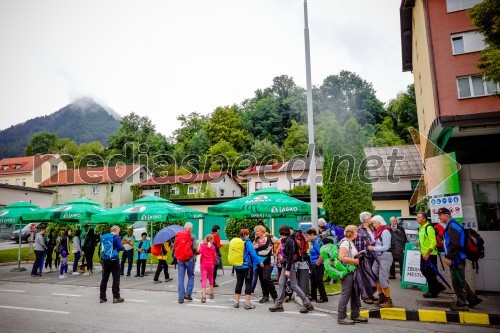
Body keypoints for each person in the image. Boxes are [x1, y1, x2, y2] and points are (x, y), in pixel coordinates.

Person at [439, 207, 482, 311]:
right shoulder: (451, 224)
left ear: (447, 215)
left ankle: (461, 304)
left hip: (456, 258)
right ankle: (473, 299)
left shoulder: (452, 226)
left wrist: (449, 257)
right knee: (460, 279)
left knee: (457, 281)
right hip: (457, 258)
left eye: (440, 215)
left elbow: (454, 244)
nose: (439, 217)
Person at [269, 226, 315, 314]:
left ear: (281, 232)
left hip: (290, 265)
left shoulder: (289, 241)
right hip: (286, 265)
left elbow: (290, 256)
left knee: (293, 285)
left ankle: (307, 304)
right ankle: (279, 304)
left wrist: (288, 269)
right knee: (281, 283)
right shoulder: (284, 240)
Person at [337, 225, 368, 325]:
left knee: (355, 293)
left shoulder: (350, 242)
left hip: (353, 271)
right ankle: (341, 317)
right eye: (356, 232)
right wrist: (354, 261)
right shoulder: (345, 242)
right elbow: (341, 257)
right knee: (346, 293)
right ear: (351, 232)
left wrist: (358, 254)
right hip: (347, 272)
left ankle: (355, 314)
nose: (357, 233)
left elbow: (349, 254)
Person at [416, 212, 446, 298]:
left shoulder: (429, 228)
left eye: (418, 217)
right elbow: (424, 238)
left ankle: (433, 291)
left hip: (430, 254)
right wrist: (419, 242)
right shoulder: (420, 227)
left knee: (430, 273)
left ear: (424, 219)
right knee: (424, 270)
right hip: (423, 253)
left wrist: (428, 254)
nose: (416, 218)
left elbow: (433, 242)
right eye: (417, 217)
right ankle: (437, 287)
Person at [368, 215, 394, 308]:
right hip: (379, 256)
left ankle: (388, 300)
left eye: (374, 223)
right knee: (374, 274)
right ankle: (381, 296)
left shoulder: (385, 232)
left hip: (385, 256)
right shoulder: (379, 231)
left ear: (379, 222)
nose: (374, 225)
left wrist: (373, 248)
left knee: (383, 278)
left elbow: (386, 247)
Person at [233, 229, 263, 310]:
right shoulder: (248, 242)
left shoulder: (237, 242)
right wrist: (260, 262)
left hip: (237, 265)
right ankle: (247, 303)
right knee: (248, 283)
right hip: (247, 266)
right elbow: (253, 254)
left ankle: (236, 302)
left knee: (239, 282)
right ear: (247, 235)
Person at [355, 212, 377, 304]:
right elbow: (359, 245)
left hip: (372, 254)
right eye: (369, 217)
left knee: (371, 276)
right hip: (365, 256)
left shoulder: (371, 228)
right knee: (365, 277)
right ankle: (365, 296)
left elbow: (373, 241)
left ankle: (371, 295)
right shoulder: (360, 230)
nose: (371, 218)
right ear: (365, 219)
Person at [99, 225, 124, 303]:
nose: (118, 233)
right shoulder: (116, 237)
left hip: (105, 259)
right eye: (118, 231)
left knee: (104, 278)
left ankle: (102, 297)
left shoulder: (104, 237)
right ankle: (116, 297)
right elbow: (120, 247)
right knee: (116, 278)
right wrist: (122, 246)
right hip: (114, 259)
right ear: (116, 230)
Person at [253, 225, 278, 303]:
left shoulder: (269, 237)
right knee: (261, 279)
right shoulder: (256, 239)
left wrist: (276, 252)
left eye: (258, 231)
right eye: (256, 231)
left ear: (262, 231)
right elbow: (253, 247)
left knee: (266, 278)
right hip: (259, 260)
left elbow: (279, 242)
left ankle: (275, 296)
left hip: (268, 260)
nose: (256, 233)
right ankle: (265, 296)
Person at [175, 222, 197, 304]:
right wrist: (196, 252)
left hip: (180, 259)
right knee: (191, 276)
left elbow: (175, 247)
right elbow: (194, 248)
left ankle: (180, 298)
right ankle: (188, 294)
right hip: (189, 259)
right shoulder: (192, 236)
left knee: (181, 279)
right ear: (189, 228)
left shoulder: (178, 234)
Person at [306, 228, 328, 303]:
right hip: (313, 264)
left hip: (318, 264)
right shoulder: (313, 241)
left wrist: (317, 264)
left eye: (308, 235)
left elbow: (322, 253)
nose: (308, 237)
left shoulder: (317, 242)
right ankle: (313, 295)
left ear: (312, 234)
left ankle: (323, 297)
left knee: (319, 281)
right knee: (313, 280)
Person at [197, 234, 217, 303]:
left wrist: (195, 252)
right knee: (211, 278)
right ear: (211, 240)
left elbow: (199, 252)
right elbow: (214, 256)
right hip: (210, 264)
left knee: (204, 280)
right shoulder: (213, 247)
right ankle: (211, 293)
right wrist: (213, 264)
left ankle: (203, 296)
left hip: (203, 264)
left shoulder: (202, 245)